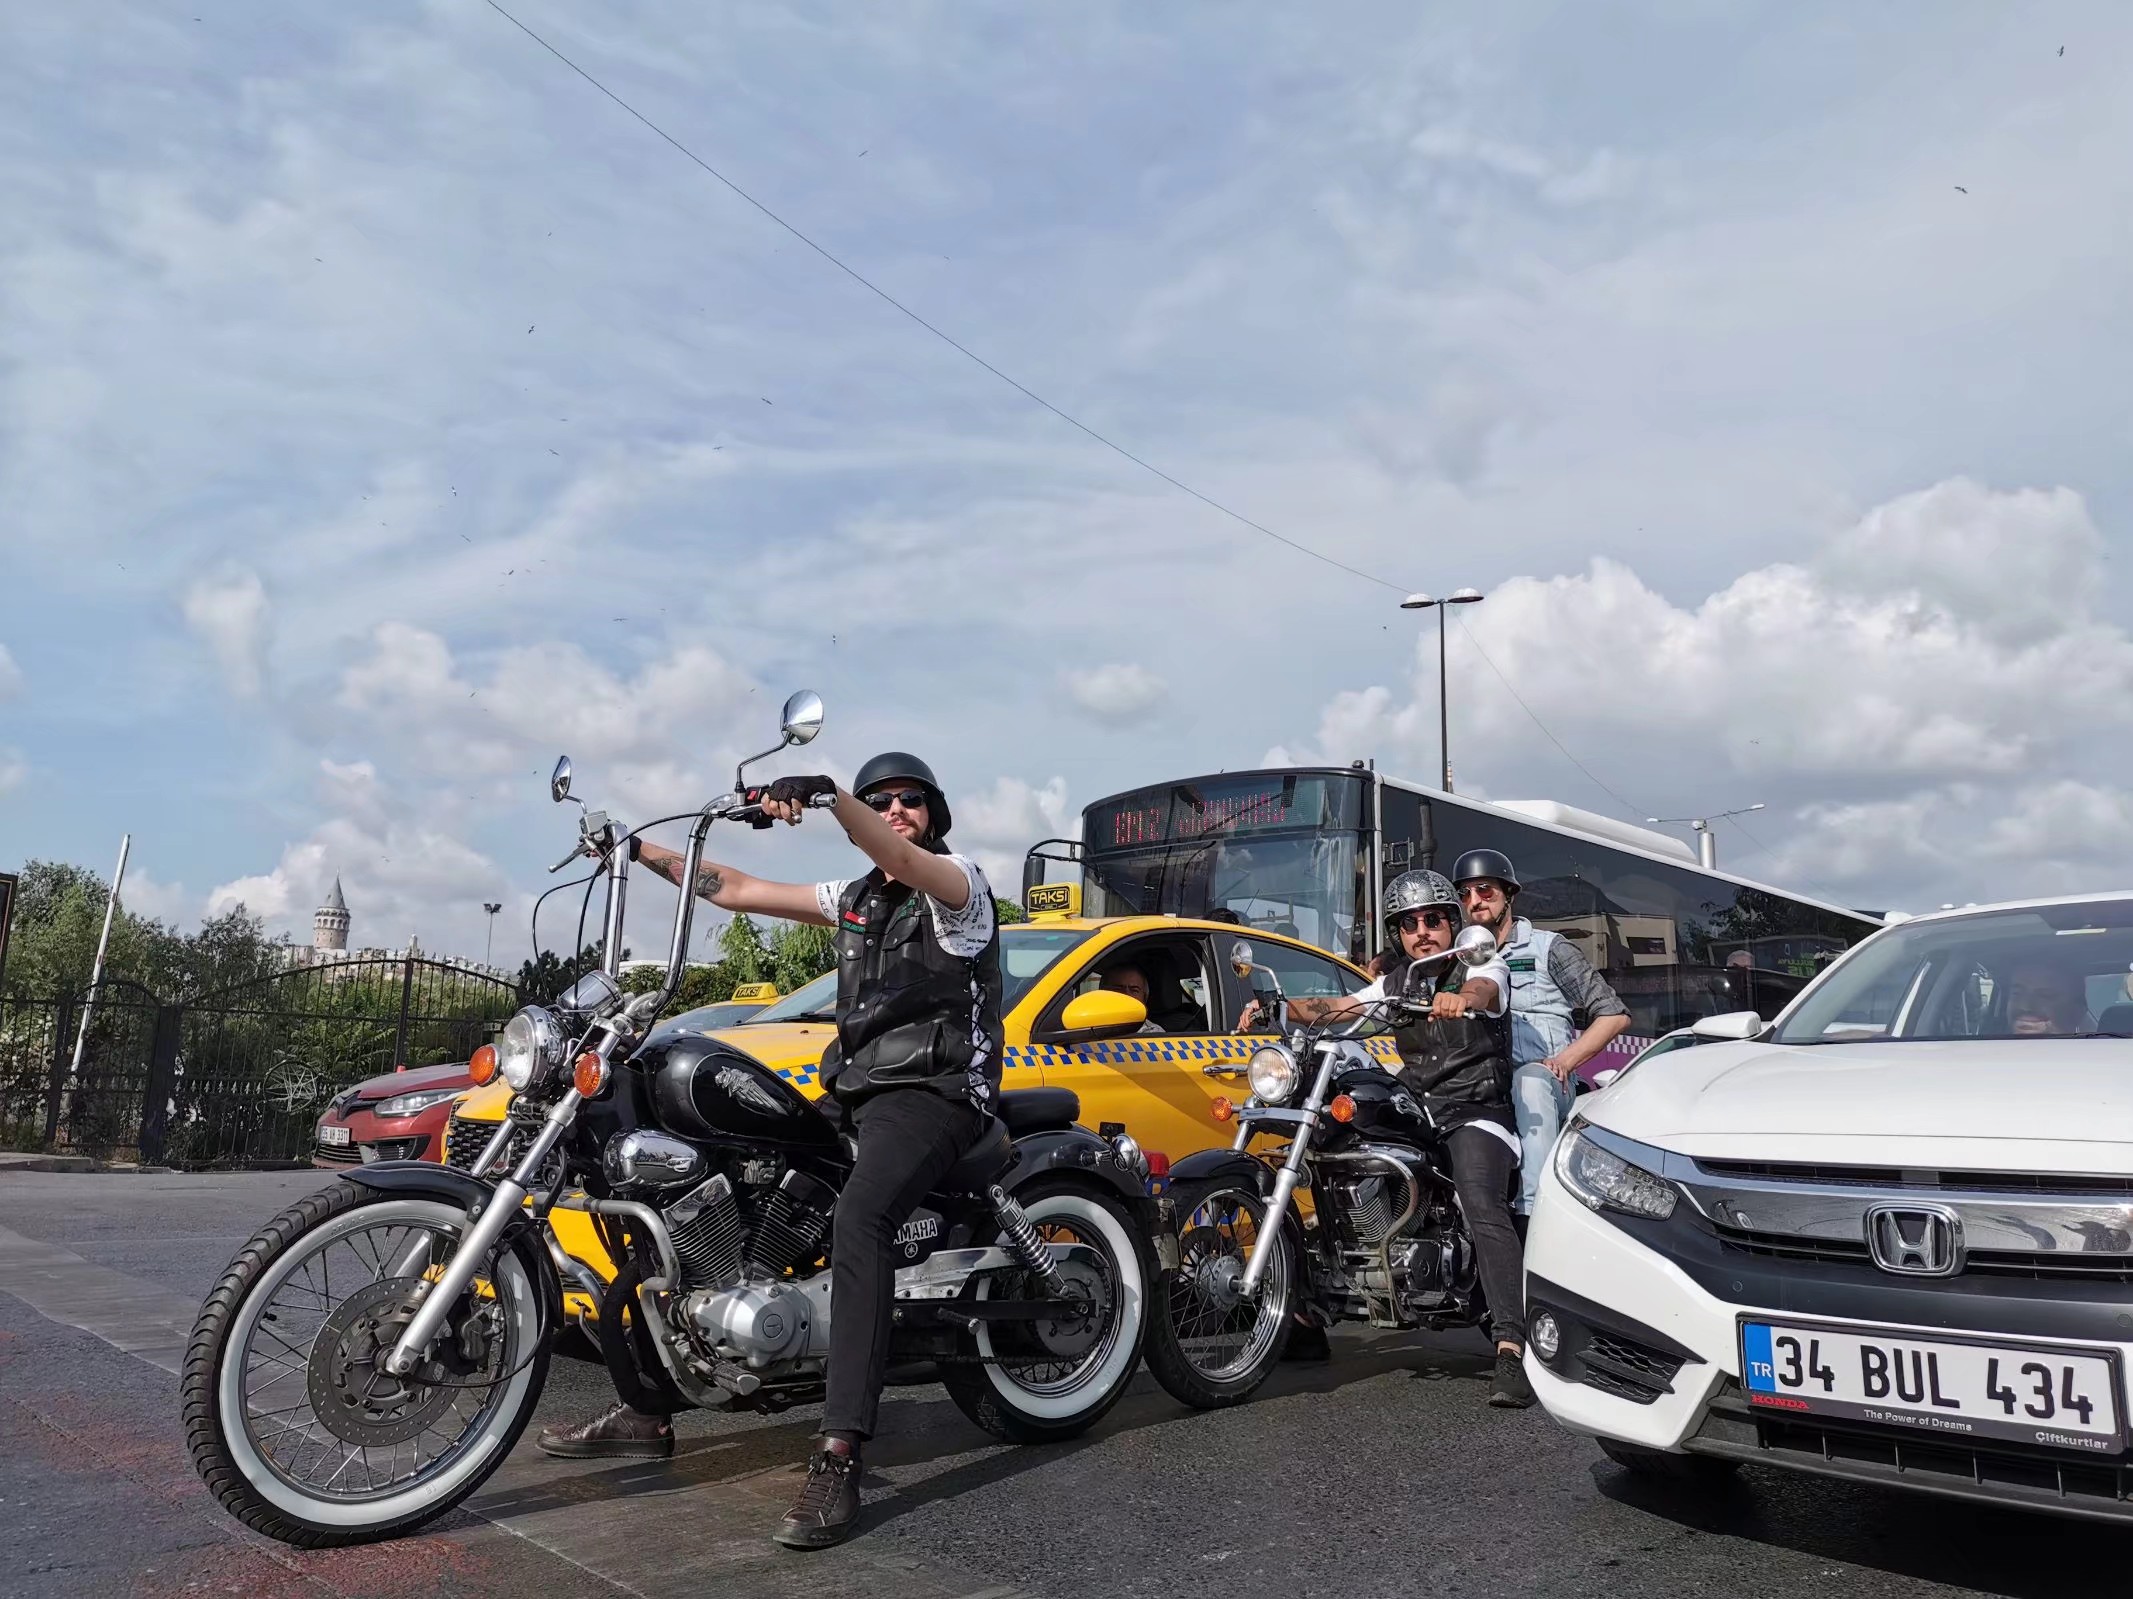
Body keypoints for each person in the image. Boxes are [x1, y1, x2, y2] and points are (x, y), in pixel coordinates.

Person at [535, 752, 1000, 1553]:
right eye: (881, 797)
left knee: (861, 1221)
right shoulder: (853, 897)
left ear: (934, 813)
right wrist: (635, 849)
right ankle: (648, 1407)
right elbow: (736, 888)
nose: (895, 808)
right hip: (857, 1088)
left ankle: (839, 1449)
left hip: (937, 1090)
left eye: (909, 799)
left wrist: (832, 795)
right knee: (672, 1197)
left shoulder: (958, 885)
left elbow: (898, 857)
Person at [1285, 869, 1532, 1407]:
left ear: (1452, 923)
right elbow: (1342, 1008)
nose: (1422, 931)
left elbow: (1486, 990)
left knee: (1480, 1200)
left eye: (1433, 919)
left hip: (1476, 1110)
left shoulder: (1481, 962)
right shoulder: (1397, 982)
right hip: (1421, 1106)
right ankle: (1306, 1311)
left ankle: (1512, 1346)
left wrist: (1461, 998)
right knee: (1335, 1150)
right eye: (1409, 923)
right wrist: (1278, 1007)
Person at [1451, 849, 1629, 1220]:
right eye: (1465, 894)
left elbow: (1613, 1015)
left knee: (1530, 1079)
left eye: (1485, 890)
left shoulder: (1548, 948)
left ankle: (1537, 1213)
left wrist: (1563, 1061)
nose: (1475, 901)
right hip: (1489, 1089)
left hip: (1546, 1087)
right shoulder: (1461, 958)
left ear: (1508, 895)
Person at [2004, 961, 2088, 1035]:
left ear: (2077, 1011)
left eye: (2045, 995)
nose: (2025, 1007)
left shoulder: (2092, 1047)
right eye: (2016, 993)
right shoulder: (1996, 1045)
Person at [1100, 962, 1165, 1033]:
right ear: (1103, 994)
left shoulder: (1153, 1033)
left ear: (1145, 997)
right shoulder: (1092, 1026)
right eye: (1118, 989)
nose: (1127, 995)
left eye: (1134, 990)